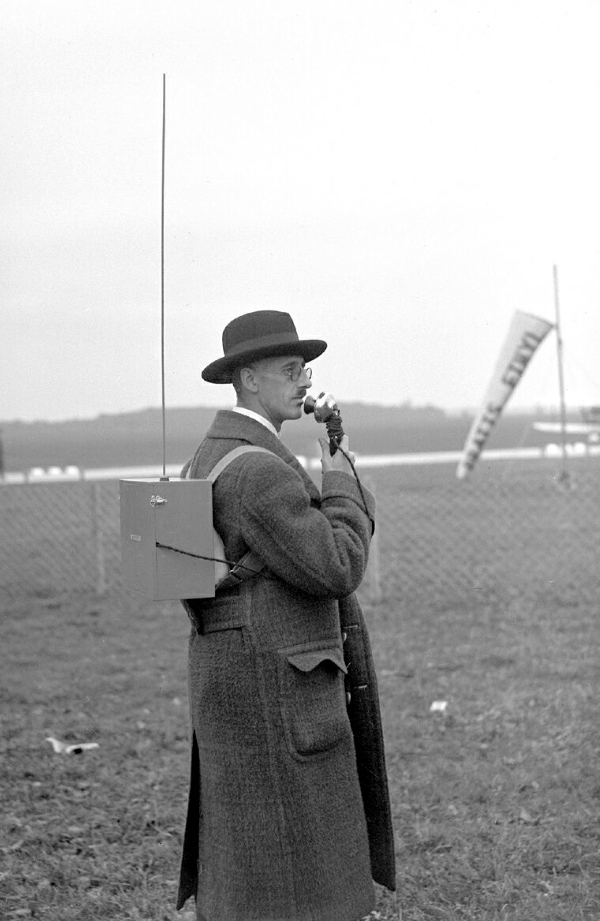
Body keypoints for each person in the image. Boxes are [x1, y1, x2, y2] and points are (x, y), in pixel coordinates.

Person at [176, 310, 395, 921]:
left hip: (242, 674)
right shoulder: (258, 470)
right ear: (248, 378)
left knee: (257, 853)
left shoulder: (214, 455)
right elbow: (336, 566)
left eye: (305, 369)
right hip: (275, 686)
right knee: (293, 863)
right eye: (290, 369)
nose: (305, 381)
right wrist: (340, 480)